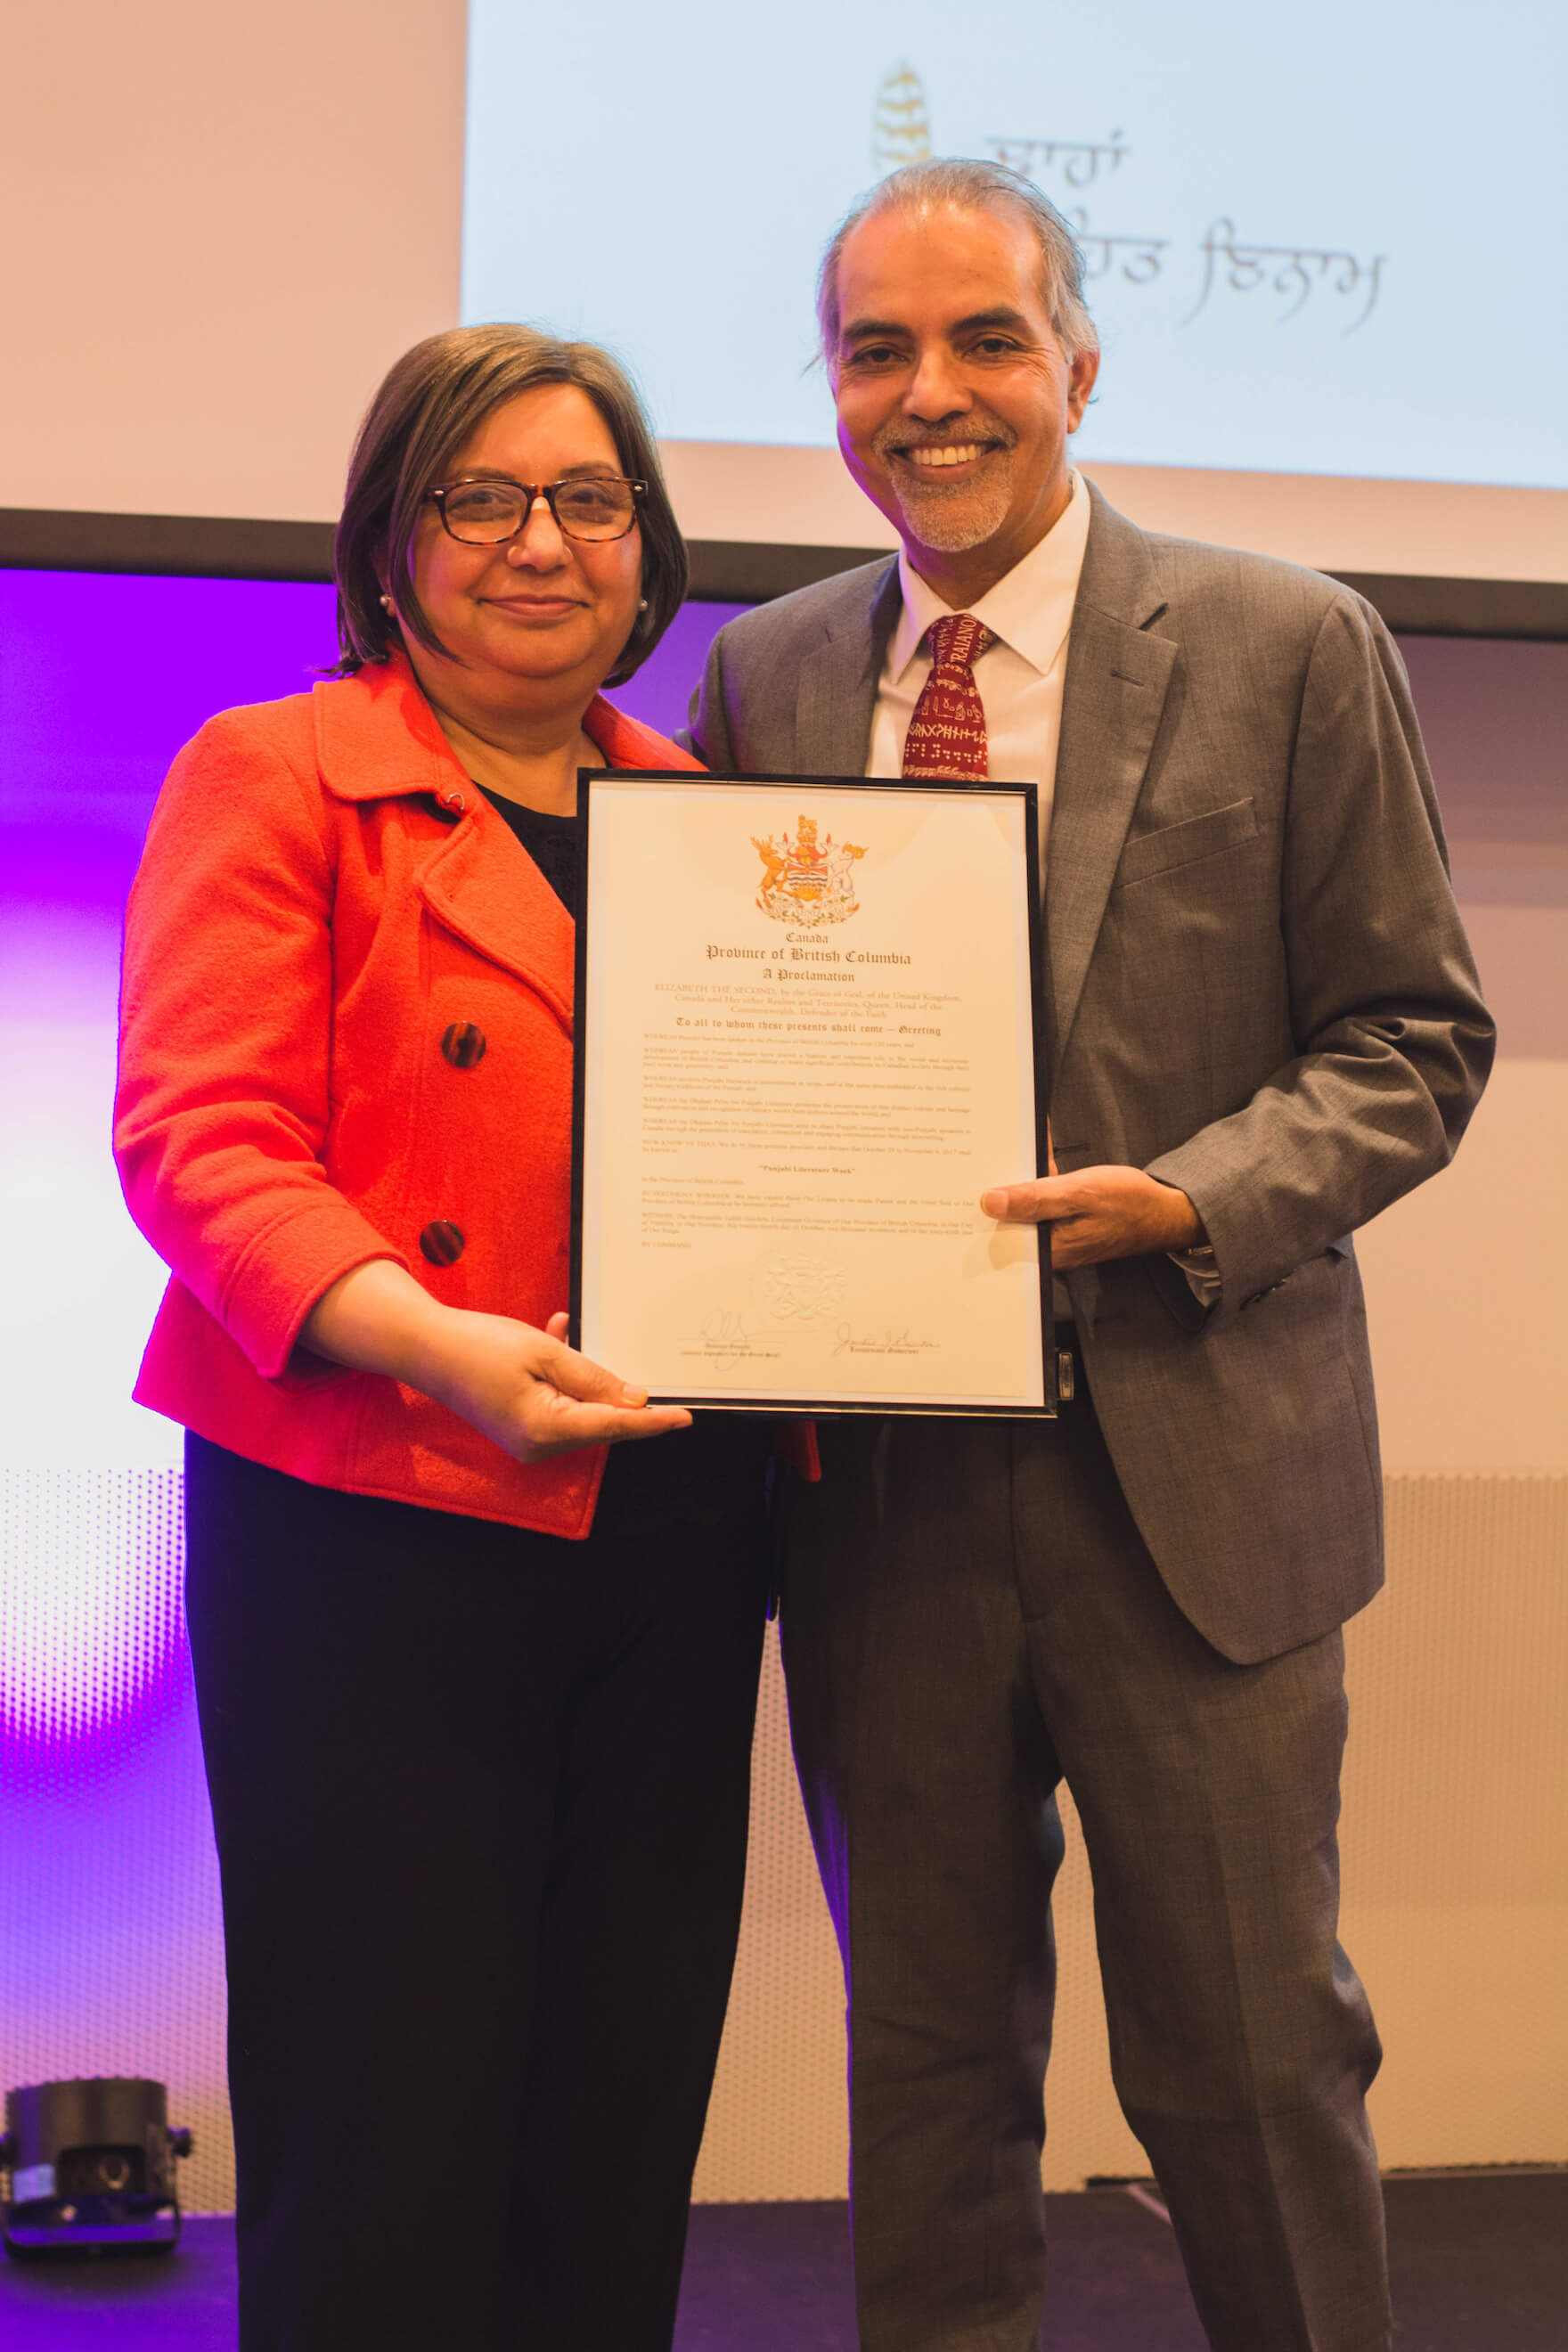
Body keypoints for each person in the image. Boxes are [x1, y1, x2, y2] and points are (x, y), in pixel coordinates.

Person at [684, 160, 1494, 2351]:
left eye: (982, 343)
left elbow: (1417, 1039)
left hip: (1199, 1481)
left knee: (1248, 2065)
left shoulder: (1286, 639)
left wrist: (1194, 1200)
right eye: (876, 350)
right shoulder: (757, 677)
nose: (928, 396)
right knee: (926, 2068)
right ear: (831, 387)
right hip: (884, 1491)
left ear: (1079, 367)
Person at [115, 323, 779, 2352]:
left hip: (669, 1519)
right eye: (477, 497)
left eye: (588, 498)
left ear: (647, 545)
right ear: (391, 545)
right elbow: (199, 1140)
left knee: (616, 2095)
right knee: (382, 2108)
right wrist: (437, 1341)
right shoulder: (276, 769)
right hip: (375, 1516)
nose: (538, 542)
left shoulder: (733, 821)